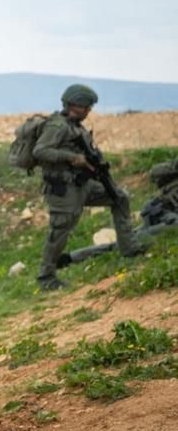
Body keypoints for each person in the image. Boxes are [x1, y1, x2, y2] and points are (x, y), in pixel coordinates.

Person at [34, 84, 145, 290]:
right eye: (85, 107)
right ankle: (46, 277)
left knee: (119, 198)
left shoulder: (76, 126)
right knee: (60, 231)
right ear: (72, 105)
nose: (87, 111)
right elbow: (40, 151)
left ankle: (129, 248)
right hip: (63, 188)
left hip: (83, 184)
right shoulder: (57, 126)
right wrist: (72, 157)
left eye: (89, 107)